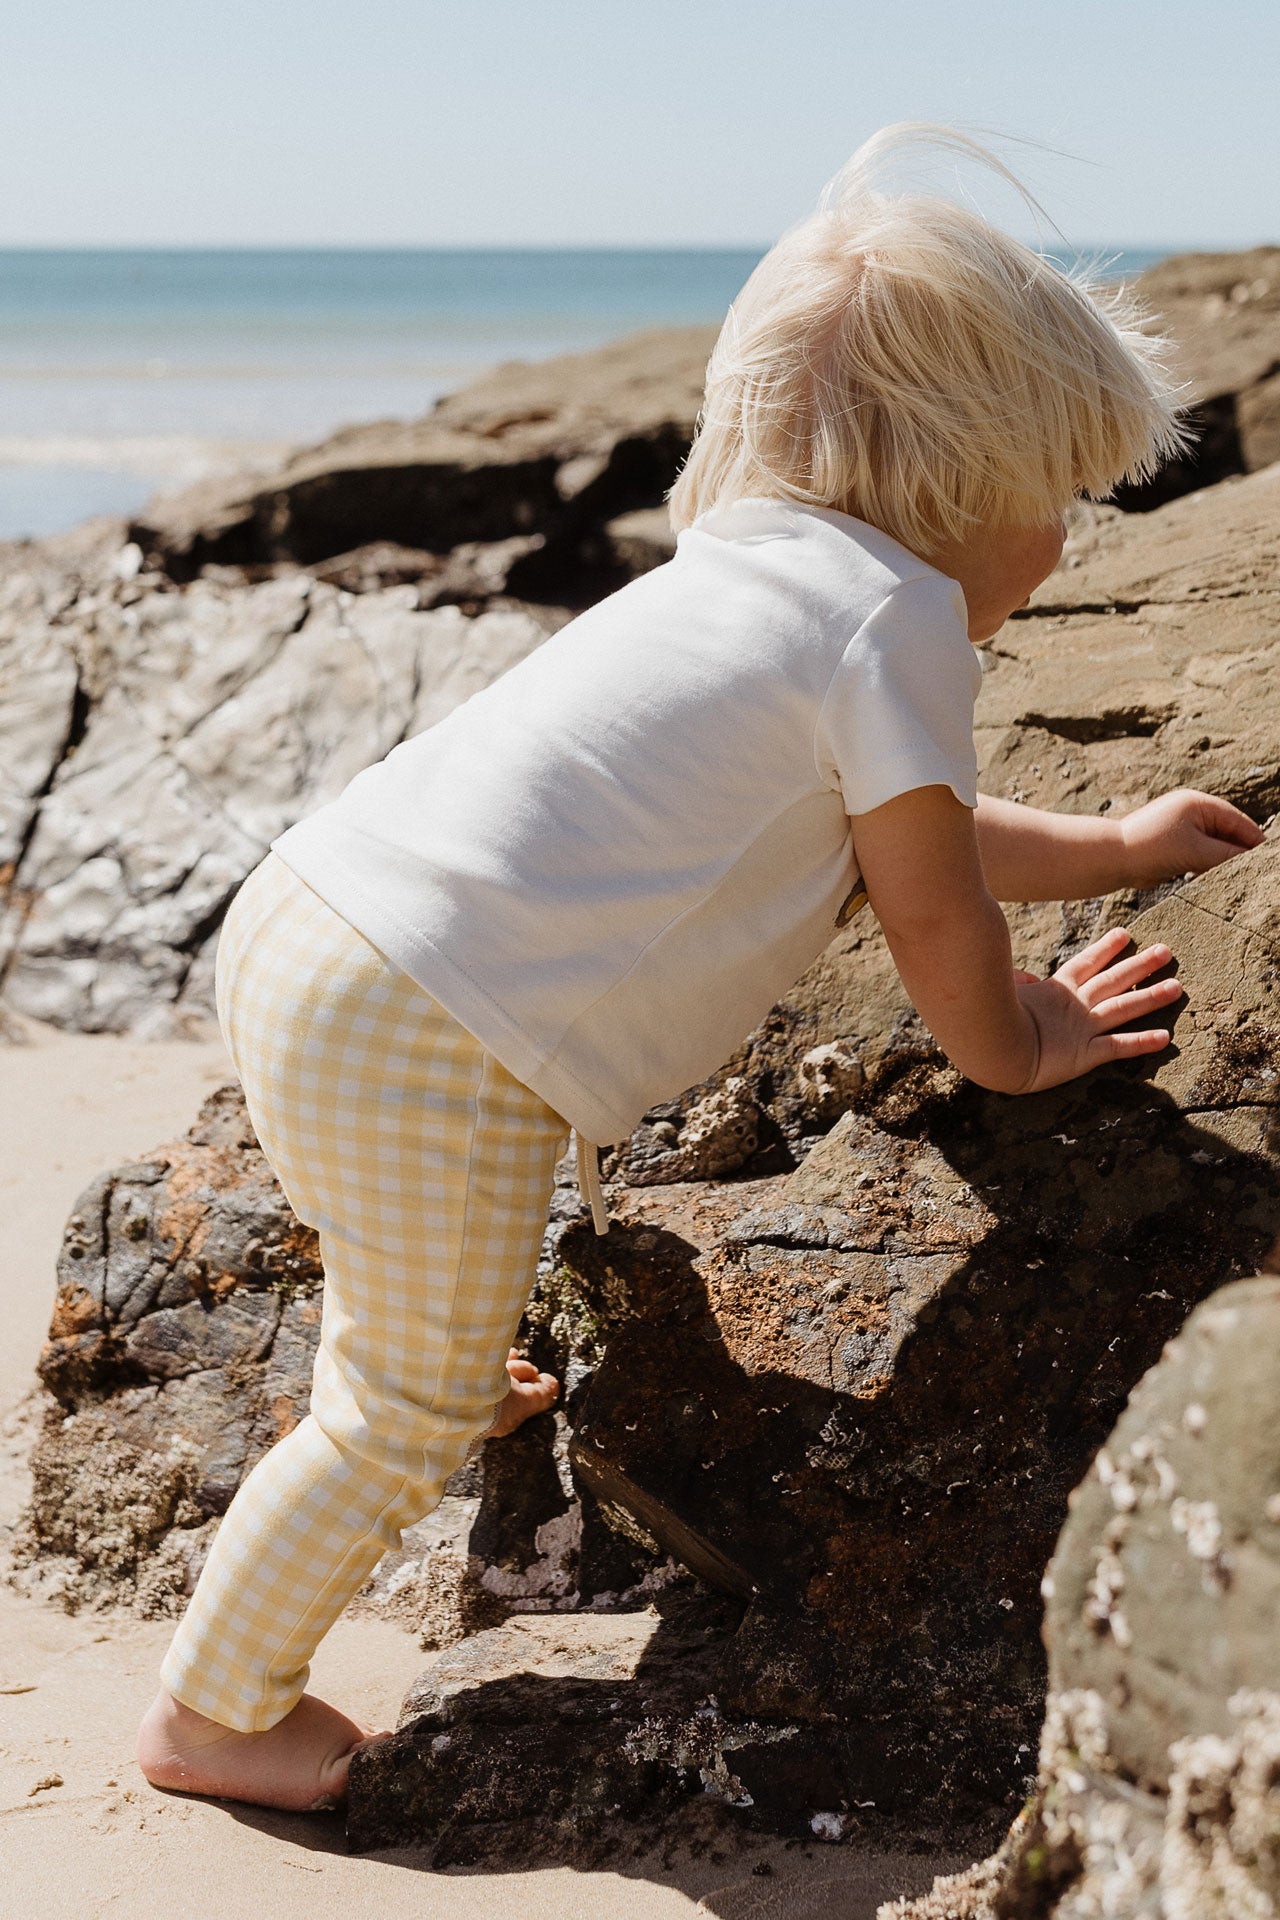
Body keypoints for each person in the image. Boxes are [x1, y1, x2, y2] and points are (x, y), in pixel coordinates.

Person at [136, 126, 1263, 1812]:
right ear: (966, 478)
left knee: (413, 1295)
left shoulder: (758, 575)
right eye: (1062, 501)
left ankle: (426, 1362)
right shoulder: (893, 622)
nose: (1062, 550)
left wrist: (1103, 849)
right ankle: (214, 1717)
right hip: (438, 1024)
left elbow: (911, 840)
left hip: (324, 924)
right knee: (402, 1406)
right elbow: (938, 919)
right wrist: (1017, 1042)